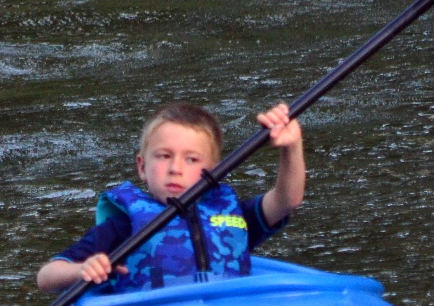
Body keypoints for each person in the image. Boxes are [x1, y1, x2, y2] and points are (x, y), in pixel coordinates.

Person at [36, 101, 305, 293]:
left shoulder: (234, 216)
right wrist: (82, 270)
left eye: (191, 159)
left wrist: (291, 147)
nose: (175, 169)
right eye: (164, 156)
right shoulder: (124, 225)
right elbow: (46, 277)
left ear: (213, 171)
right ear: (142, 166)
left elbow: (287, 200)